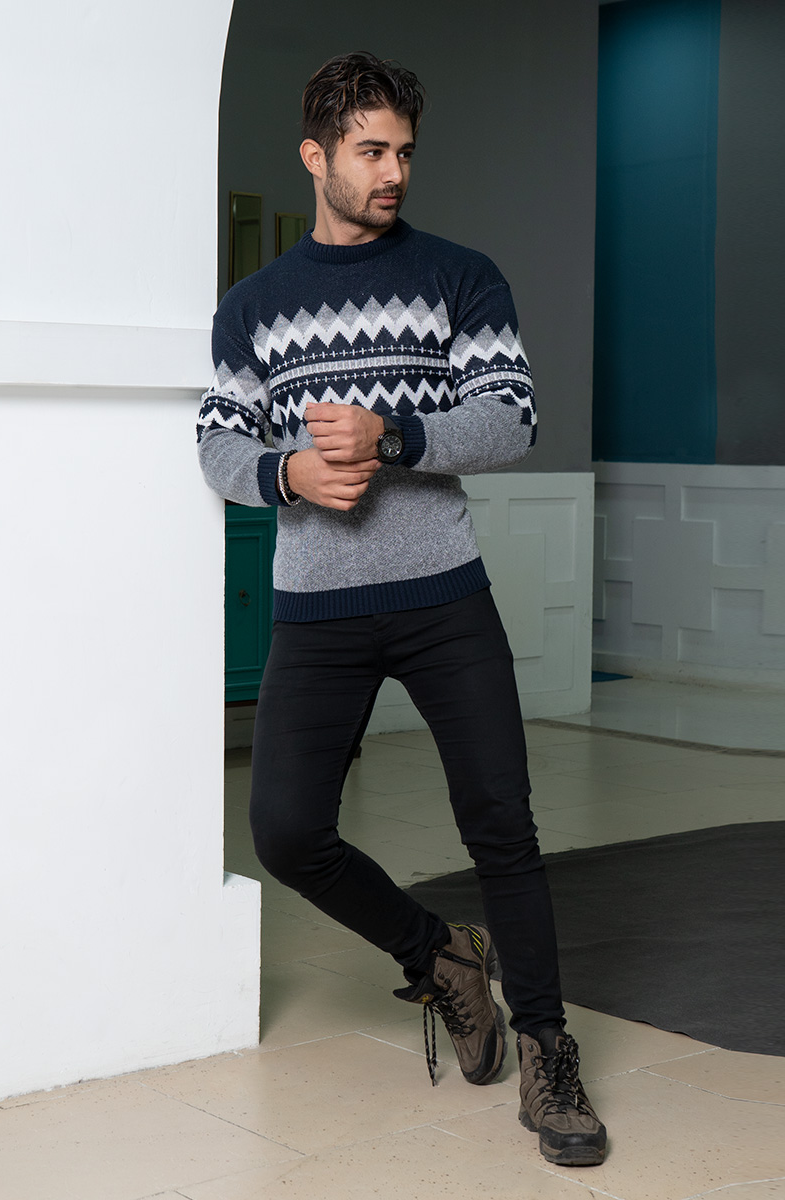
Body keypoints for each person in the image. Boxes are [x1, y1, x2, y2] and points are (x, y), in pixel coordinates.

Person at [196, 51, 606, 1168]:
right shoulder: (252, 307)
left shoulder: (460, 277)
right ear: (316, 155)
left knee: (502, 825)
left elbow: (511, 420)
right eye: (370, 151)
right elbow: (217, 443)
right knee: (287, 832)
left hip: (442, 599)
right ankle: (439, 957)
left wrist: (396, 437)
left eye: (404, 153)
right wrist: (287, 473)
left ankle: (549, 1053)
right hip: (317, 611)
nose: (393, 173)